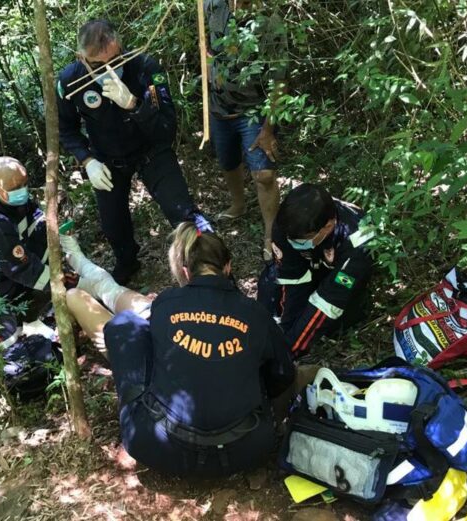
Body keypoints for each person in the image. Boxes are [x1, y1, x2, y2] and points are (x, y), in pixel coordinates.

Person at [90, 223, 294, 477]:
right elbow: (284, 373)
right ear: (228, 267)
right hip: (246, 450)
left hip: (157, 446)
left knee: (123, 325)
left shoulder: (167, 303)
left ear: (186, 272)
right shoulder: (255, 314)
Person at [0, 156, 142, 399]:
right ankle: (15, 348)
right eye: (16, 189)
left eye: (24, 186)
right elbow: (20, 268)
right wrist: (66, 283)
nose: (22, 192)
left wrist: (62, 242)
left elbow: (36, 219)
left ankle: (30, 311)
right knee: (11, 346)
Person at [57, 19, 211, 285]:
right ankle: (127, 262)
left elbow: (166, 128)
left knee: (183, 213)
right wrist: (88, 159)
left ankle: (209, 267)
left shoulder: (144, 67)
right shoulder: (70, 81)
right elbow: (65, 129)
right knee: (113, 224)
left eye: (115, 60)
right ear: (81, 58)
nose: (109, 69)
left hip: (151, 150)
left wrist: (133, 104)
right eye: (98, 64)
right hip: (107, 159)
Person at [204, 0, 286, 258]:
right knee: (228, 161)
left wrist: (268, 128)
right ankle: (238, 204)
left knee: (264, 175)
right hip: (219, 107)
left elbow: (280, 80)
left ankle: (271, 235)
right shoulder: (211, 5)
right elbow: (207, 45)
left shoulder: (269, 18)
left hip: (255, 111)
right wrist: (209, 71)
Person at [257, 183, 374, 358]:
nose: (293, 243)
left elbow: (329, 302)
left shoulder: (358, 243)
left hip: (342, 280)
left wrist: (287, 352)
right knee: (269, 288)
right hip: (311, 269)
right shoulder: (287, 225)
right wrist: (282, 327)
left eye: (303, 239)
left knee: (337, 318)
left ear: (327, 226)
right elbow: (290, 279)